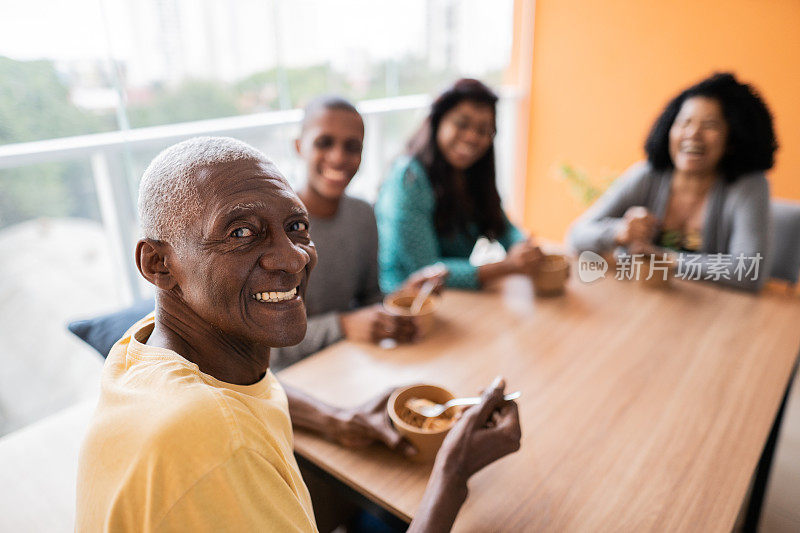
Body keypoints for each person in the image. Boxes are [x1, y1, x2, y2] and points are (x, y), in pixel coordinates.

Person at [76, 136, 521, 532]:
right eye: (242, 232)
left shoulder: (150, 346)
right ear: (158, 265)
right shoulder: (210, 441)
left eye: (296, 228)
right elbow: (223, 430)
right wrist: (452, 476)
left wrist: (338, 419)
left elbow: (248, 393)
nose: (293, 259)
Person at [271, 96, 446, 371]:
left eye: (352, 147)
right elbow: (265, 346)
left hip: (350, 364)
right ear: (298, 146)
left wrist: (403, 296)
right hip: (290, 381)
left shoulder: (363, 214)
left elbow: (369, 299)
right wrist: (342, 325)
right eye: (324, 142)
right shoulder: (272, 227)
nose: (339, 157)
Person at [568, 72, 777, 291]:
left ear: (733, 139)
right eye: (684, 122)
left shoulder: (749, 186)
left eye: (710, 125)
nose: (693, 134)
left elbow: (749, 271)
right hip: (641, 305)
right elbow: (576, 235)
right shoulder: (647, 175)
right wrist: (618, 232)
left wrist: (666, 259)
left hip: (712, 315)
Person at [375, 79, 542, 292]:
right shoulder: (408, 179)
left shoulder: (472, 174)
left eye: (483, 131)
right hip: (405, 304)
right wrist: (506, 267)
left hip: (456, 298)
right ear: (438, 121)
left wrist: (523, 247)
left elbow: (503, 227)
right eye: (462, 124)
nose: (472, 137)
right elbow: (426, 269)